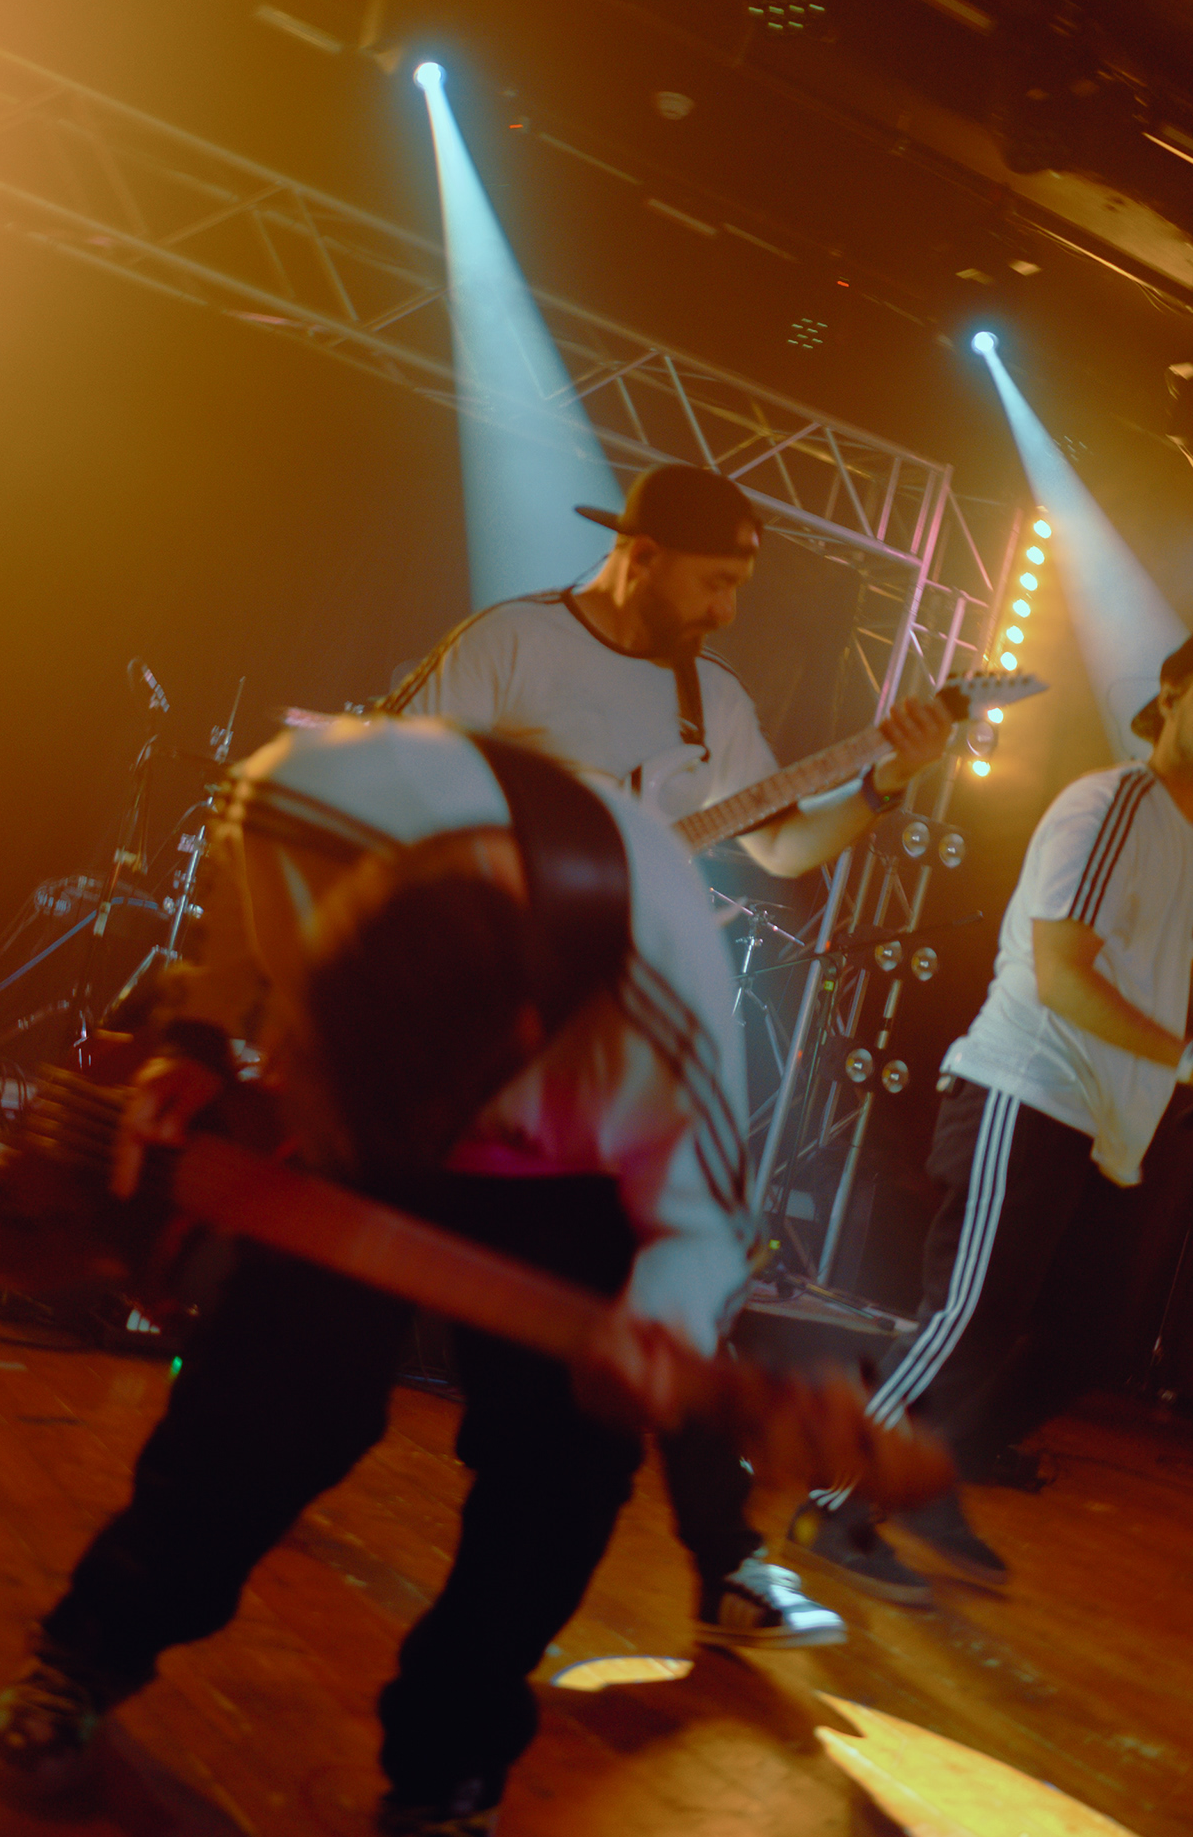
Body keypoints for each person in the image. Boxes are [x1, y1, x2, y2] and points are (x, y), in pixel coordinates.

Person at [0, 716, 739, 1837]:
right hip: (368, 1088)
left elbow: (701, 1230)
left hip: (568, 1168)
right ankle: (89, 1647)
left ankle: (445, 1786)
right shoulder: (309, 796)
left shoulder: (657, 1033)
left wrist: (661, 1324)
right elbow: (238, 888)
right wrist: (206, 1034)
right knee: (267, 1398)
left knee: (561, 1471)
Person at [385, 462, 956, 1652]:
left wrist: (889, 779)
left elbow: (789, 847)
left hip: (625, 1047)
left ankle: (722, 1556)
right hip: (487, 1029)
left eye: (743, 585)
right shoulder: (513, 646)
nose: (728, 610)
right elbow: (401, 792)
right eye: (716, 581)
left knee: (679, 1294)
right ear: (638, 556)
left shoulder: (717, 705)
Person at [792, 623, 1193, 1604]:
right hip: (1026, 1088)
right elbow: (1061, 972)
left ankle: (926, 1480)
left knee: (1087, 1341)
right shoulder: (1112, 802)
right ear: (1167, 696)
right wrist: (1190, 1060)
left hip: (1100, 1129)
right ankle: (838, 1503)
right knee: (970, 1320)